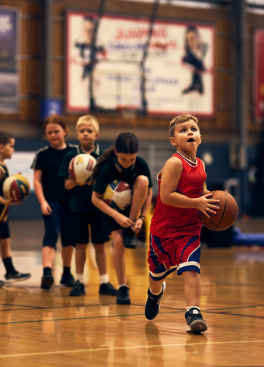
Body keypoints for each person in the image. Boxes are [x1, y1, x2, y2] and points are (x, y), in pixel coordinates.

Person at [144, 114, 219, 333]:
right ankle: (154, 294)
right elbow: (166, 196)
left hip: (189, 230)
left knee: (192, 269)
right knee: (156, 275)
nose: (189, 132)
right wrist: (197, 202)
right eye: (183, 130)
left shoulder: (201, 164)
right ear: (173, 141)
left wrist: (212, 197)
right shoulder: (175, 163)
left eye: (193, 129)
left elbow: (200, 192)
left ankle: (193, 312)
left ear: (200, 137)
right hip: (163, 230)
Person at [58, 115, 117, 297]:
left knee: (100, 246)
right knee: (81, 245)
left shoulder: (103, 157)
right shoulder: (70, 156)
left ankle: (104, 282)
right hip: (77, 208)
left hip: (99, 208)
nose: (85, 134)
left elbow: (109, 183)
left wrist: (96, 183)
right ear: (77, 134)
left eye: (89, 131)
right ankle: (79, 282)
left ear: (96, 134)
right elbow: (66, 185)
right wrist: (78, 180)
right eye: (82, 131)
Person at [92, 132, 153, 305]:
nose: (127, 163)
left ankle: (131, 229)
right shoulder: (107, 168)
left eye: (131, 160)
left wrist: (142, 217)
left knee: (143, 181)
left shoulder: (141, 165)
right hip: (112, 211)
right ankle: (122, 287)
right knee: (118, 243)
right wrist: (116, 215)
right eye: (124, 159)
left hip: (133, 211)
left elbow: (148, 194)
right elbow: (95, 199)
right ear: (117, 152)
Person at [0, 131, 31, 287]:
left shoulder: (1, 166)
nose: (13, 149)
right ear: (2, 147)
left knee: (5, 240)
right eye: (11, 146)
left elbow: (0, 185)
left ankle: (10, 271)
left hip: (0, 210)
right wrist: (4, 201)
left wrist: (14, 179)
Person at [31, 115, 76, 289]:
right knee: (51, 234)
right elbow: (37, 181)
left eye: (56, 131)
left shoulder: (74, 152)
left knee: (69, 239)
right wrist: (42, 202)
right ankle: (47, 272)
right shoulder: (42, 155)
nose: (53, 135)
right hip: (51, 202)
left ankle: (66, 273)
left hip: (71, 203)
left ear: (64, 131)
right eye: (49, 133)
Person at [182, 26, 207, 95]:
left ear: (198, 38)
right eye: (188, 40)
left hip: (196, 63)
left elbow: (201, 54)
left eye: (192, 39)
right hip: (188, 59)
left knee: (197, 65)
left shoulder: (204, 47)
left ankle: (194, 86)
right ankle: (199, 86)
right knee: (198, 64)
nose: (190, 42)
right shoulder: (188, 51)